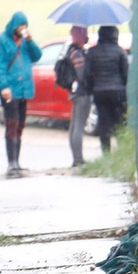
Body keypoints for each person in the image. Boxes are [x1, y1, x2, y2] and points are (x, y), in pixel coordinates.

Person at [0, 11, 42, 176]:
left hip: (24, 90)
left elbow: (37, 56)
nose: (23, 28)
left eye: (25, 25)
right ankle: (11, 162)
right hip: (10, 89)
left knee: (20, 124)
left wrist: (30, 40)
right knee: (11, 124)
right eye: (21, 25)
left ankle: (17, 162)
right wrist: (3, 86)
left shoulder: (25, 42)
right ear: (14, 25)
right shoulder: (0, 41)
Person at [83, 25, 129, 154]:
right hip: (118, 92)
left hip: (100, 92)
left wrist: (91, 88)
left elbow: (87, 74)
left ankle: (106, 153)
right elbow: (126, 74)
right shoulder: (120, 51)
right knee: (120, 121)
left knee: (104, 123)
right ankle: (121, 152)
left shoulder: (92, 52)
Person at [58, 25, 90, 167]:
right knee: (78, 126)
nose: (87, 36)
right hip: (82, 92)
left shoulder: (70, 50)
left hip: (74, 92)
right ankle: (78, 160)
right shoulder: (77, 53)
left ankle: (76, 159)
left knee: (74, 126)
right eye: (85, 33)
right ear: (81, 34)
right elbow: (82, 74)